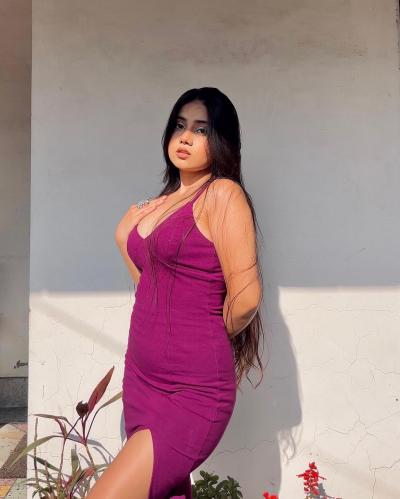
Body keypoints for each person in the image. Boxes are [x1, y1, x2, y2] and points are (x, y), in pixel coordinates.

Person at [87, 87, 265, 499]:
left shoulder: (222, 194)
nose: (185, 137)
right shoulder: (163, 202)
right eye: (180, 125)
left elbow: (247, 299)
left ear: (222, 140)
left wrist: (199, 335)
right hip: (142, 379)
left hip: (192, 390)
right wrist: (123, 240)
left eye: (201, 129)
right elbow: (152, 288)